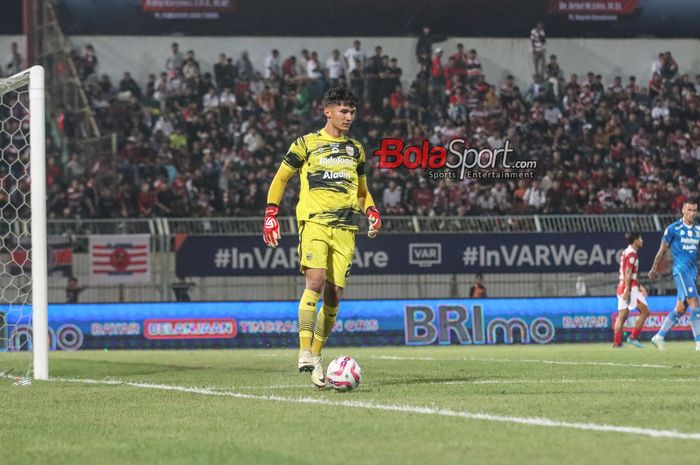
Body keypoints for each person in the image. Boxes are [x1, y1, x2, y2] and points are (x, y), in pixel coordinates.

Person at [262, 87, 381, 387]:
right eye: (343, 111)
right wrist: (270, 214)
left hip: (346, 229)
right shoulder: (306, 144)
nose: (348, 116)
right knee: (315, 281)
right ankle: (304, 350)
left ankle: (316, 355)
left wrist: (373, 211)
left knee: (333, 295)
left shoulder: (356, 150)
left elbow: (362, 192)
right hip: (314, 223)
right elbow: (281, 178)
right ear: (327, 111)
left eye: (352, 112)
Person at [648, 198, 700, 351]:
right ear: (683, 210)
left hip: (693, 273)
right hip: (681, 272)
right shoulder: (673, 228)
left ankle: (658, 336)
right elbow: (662, 250)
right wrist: (653, 268)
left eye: (695, 210)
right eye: (689, 210)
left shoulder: (698, 230)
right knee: (695, 304)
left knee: (680, 308)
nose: (692, 213)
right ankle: (699, 342)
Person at [613, 232, 650, 348]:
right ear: (635, 240)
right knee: (645, 312)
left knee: (622, 316)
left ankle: (617, 343)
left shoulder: (626, 252)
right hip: (629, 288)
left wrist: (639, 287)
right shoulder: (632, 255)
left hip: (622, 286)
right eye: (640, 238)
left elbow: (629, 274)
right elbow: (628, 273)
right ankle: (633, 337)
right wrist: (628, 290)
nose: (642, 240)